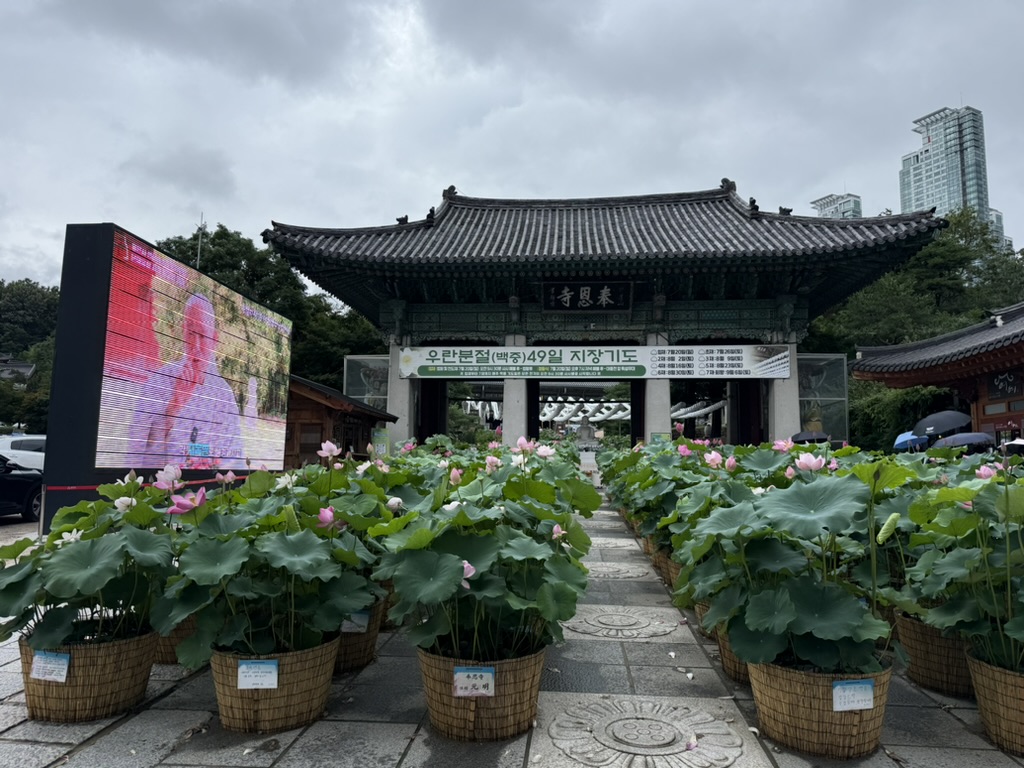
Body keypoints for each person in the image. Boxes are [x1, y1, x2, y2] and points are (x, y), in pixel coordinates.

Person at [127, 294, 245, 470]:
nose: (195, 346)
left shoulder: (223, 394)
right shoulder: (158, 382)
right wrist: (174, 406)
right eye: (190, 333)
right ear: (182, 333)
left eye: (203, 336)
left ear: (215, 339)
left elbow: (235, 458)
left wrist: (210, 464)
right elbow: (136, 454)